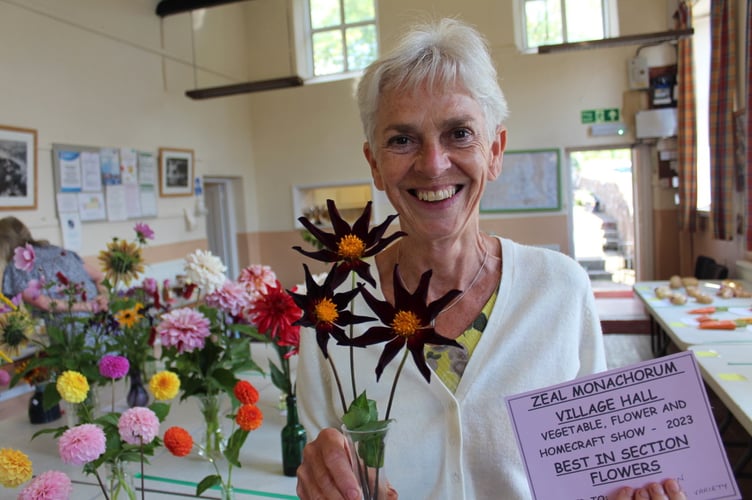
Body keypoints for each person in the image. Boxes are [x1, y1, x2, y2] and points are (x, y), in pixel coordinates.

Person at [294, 18, 686, 500]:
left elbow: (595, 471)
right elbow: (322, 453)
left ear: (495, 151)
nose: (433, 163)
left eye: (459, 133)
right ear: (374, 163)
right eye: (401, 139)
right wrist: (320, 472)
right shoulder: (332, 308)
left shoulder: (559, 290)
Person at [0, 216, 107, 319]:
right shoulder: (56, 250)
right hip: (102, 320)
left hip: (70, 325)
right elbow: (99, 276)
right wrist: (104, 298)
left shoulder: (17, 266)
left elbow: (42, 303)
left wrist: (86, 306)